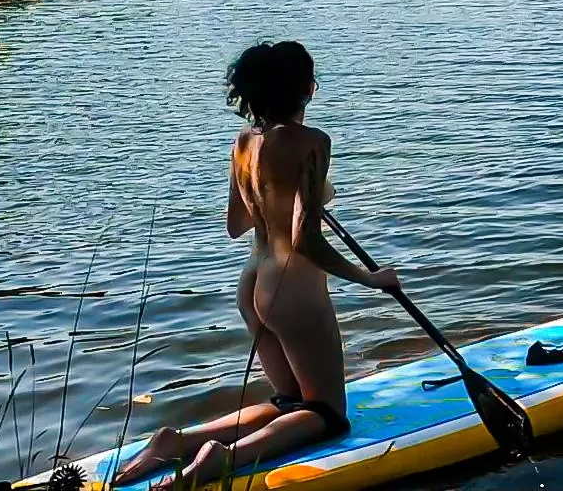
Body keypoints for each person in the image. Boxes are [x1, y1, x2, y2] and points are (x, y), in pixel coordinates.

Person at [111, 41, 400, 490]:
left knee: (289, 401)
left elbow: (237, 224)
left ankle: (178, 441)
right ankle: (223, 458)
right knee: (325, 413)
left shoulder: (244, 143)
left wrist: (291, 196)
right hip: (293, 289)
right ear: (307, 88)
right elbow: (306, 241)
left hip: (253, 284)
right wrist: (369, 278)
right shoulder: (312, 141)